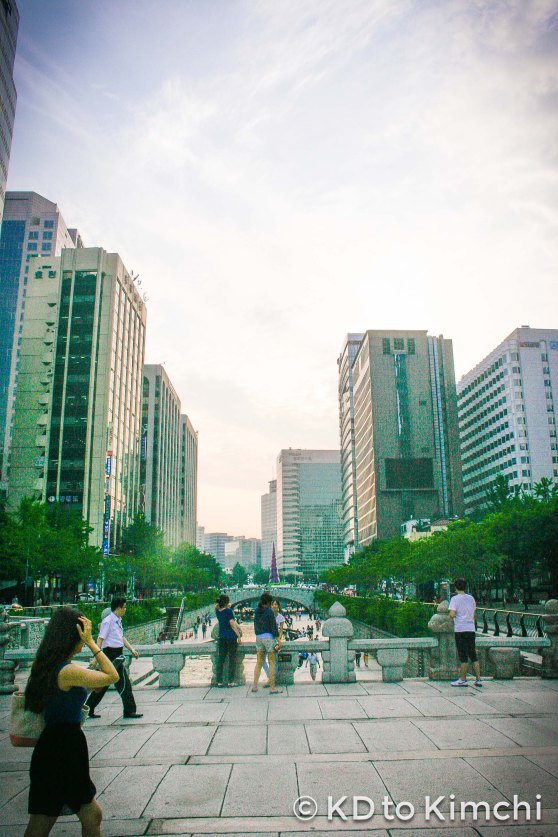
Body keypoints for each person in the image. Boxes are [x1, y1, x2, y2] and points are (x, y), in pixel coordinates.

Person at [23, 606, 119, 837]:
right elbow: (112, 676)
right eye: (82, 633)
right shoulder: (67, 672)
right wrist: (92, 643)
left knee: (48, 818)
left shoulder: (49, 665)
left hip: (55, 747)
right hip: (64, 749)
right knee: (59, 818)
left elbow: (95, 683)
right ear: (72, 636)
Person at [84, 597, 143, 719]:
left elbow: (121, 637)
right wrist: (97, 656)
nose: (125, 609)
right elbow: (100, 639)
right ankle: (129, 710)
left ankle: (89, 707)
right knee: (124, 683)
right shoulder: (108, 621)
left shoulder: (118, 621)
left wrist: (132, 650)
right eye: (124, 607)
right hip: (110, 654)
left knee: (104, 683)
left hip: (117, 653)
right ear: (118, 607)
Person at [449, 578, 482, 687]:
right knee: (473, 654)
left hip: (460, 629)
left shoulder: (454, 599)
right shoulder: (471, 598)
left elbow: (452, 614)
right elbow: (474, 614)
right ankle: (478, 679)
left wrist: (453, 616)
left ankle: (463, 679)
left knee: (463, 655)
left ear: (455, 587)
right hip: (471, 628)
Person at [252, 593, 282, 694]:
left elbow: (255, 625)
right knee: (272, 663)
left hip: (258, 637)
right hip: (268, 638)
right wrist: (279, 640)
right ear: (269, 602)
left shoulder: (257, 610)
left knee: (259, 662)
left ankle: (255, 686)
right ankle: (272, 688)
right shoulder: (269, 611)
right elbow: (274, 627)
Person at [214, 594, 242, 687]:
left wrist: (224, 605)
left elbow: (217, 606)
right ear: (227, 602)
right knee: (232, 659)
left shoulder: (217, 611)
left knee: (221, 659)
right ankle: (230, 681)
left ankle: (219, 681)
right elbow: (232, 624)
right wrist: (238, 636)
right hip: (231, 638)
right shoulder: (229, 611)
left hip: (222, 637)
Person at [263, 599, 285, 687]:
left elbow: (281, 630)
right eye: (273, 604)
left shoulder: (281, 617)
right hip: (267, 639)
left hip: (275, 641)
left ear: (279, 606)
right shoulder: (267, 616)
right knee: (262, 660)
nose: (274, 606)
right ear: (270, 606)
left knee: (274, 661)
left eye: (276, 604)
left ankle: (271, 680)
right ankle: (270, 677)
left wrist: (278, 640)